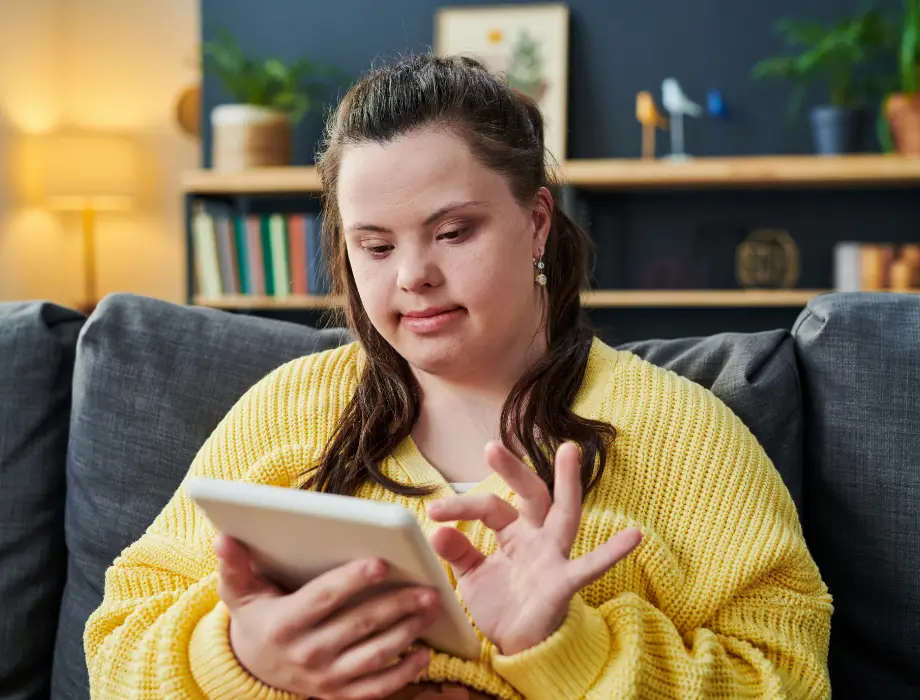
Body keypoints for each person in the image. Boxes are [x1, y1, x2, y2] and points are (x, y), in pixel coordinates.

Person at [84, 54, 832, 700]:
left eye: (452, 233)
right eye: (374, 247)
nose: (414, 276)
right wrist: (238, 657)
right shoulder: (287, 411)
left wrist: (571, 645)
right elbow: (115, 645)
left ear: (537, 220)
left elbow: (790, 678)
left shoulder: (679, 431)